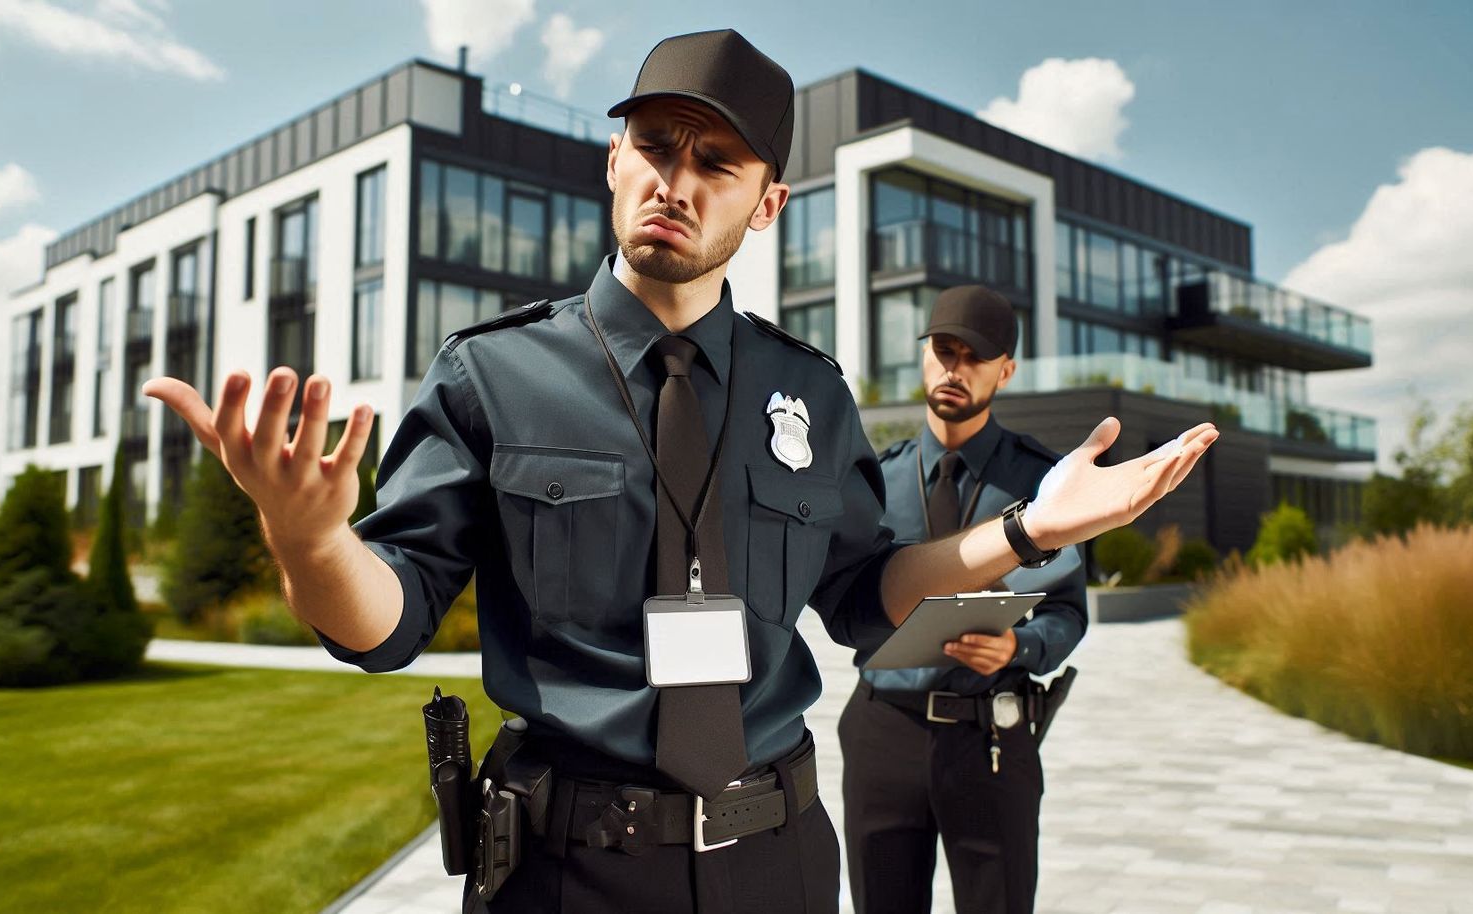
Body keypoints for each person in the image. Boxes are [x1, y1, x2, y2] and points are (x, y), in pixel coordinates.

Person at [145, 28, 1219, 914]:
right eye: (657, 145)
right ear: (613, 158)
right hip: (564, 871)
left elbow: (866, 596)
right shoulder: (491, 372)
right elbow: (386, 623)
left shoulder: (811, 392)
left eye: (717, 164)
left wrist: (1027, 527)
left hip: (779, 859)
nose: (676, 181)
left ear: (766, 204)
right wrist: (311, 539)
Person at [840, 285, 1087, 914]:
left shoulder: (1044, 485)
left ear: (1005, 370)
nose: (954, 368)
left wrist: (1019, 645)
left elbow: (1067, 611)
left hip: (990, 738)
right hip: (881, 730)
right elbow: (842, 598)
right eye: (943, 350)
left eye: (974, 357)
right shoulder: (875, 478)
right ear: (923, 357)